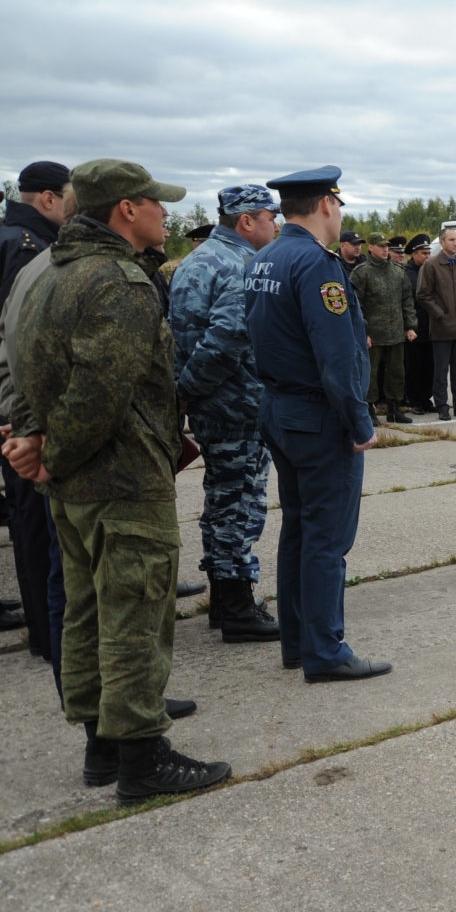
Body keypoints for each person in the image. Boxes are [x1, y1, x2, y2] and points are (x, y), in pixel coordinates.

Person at [5, 158, 232, 799]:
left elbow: (22, 363)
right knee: (134, 613)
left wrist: (32, 441)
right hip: (122, 479)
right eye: (156, 202)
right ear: (125, 209)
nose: (167, 213)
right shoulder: (119, 283)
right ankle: (142, 759)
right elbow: (99, 393)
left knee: (87, 612)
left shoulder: (46, 270)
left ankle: (101, 750)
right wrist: (51, 453)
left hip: (72, 485)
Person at [243, 165, 390, 684]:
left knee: (300, 530)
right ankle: (325, 652)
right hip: (318, 417)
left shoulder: (265, 258)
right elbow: (336, 356)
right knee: (327, 539)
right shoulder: (316, 264)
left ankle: (297, 642)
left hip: (279, 409)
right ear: (327, 204)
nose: (341, 212)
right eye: (340, 203)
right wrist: (358, 423)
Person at [168, 182, 284, 642]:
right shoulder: (238, 265)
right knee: (238, 507)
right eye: (270, 217)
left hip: (217, 406)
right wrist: (186, 391)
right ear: (246, 222)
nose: (276, 225)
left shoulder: (195, 261)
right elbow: (225, 341)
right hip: (235, 407)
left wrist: (188, 394)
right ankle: (236, 610)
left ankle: (226, 601)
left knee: (223, 502)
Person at [1, 161, 74, 650]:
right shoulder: (26, 247)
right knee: (33, 519)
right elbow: (16, 341)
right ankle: (49, 633)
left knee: (31, 519)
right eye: (69, 195)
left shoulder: (21, 239)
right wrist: (17, 419)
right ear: (47, 198)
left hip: (16, 408)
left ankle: (43, 624)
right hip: (20, 414)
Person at [351, 231, 417, 425]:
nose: (385, 249)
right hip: (373, 335)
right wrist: (363, 332)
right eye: (381, 246)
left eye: (386, 246)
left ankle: (394, 408)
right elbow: (356, 306)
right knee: (370, 373)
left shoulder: (398, 272)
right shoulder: (361, 273)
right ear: (370, 247)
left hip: (396, 332)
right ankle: (369, 408)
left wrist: (410, 326)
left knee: (396, 372)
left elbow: (407, 301)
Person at [415, 226, 456, 421]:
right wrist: (440, 314)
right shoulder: (431, 265)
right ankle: (442, 405)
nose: (455, 243)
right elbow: (422, 294)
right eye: (451, 240)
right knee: (441, 371)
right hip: (442, 327)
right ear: (442, 242)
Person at [402, 233, 435, 414]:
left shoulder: (432, 270)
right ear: (414, 254)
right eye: (424, 253)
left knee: (430, 367)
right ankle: (414, 400)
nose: (427, 257)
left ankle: (426, 398)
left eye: (429, 253)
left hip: (432, 327)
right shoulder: (406, 273)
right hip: (414, 328)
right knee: (414, 367)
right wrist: (408, 326)